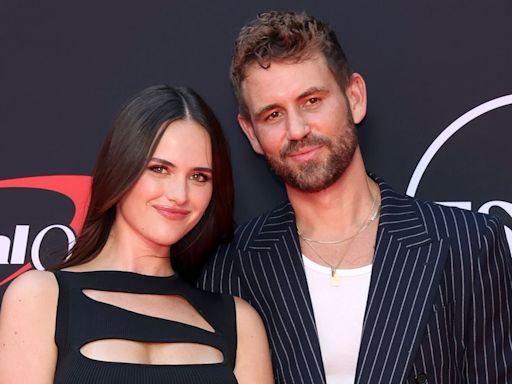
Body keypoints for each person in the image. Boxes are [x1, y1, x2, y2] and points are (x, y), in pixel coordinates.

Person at [200, 11, 512, 384]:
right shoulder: (230, 267)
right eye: (273, 114)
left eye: (312, 100)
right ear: (251, 133)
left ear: (355, 97)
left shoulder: (468, 244)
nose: (296, 129)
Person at [0, 85, 273, 384]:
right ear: (121, 167)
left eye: (199, 176)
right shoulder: (41, 298)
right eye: (159, 169)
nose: (179, 195)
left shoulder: (238, 321)